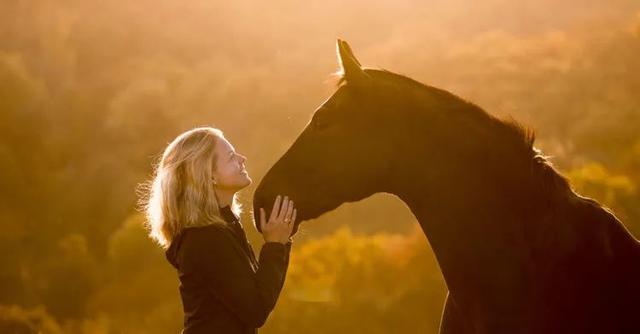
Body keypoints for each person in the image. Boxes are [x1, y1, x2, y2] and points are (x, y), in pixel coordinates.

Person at [140, 126, 296, 333]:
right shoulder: (206, 238)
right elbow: (256, 309)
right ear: (209, 175)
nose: (242, 158)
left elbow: (258, 295)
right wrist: (275, 245)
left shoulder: (220, 229)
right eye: (231, 157)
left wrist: (278, 243)